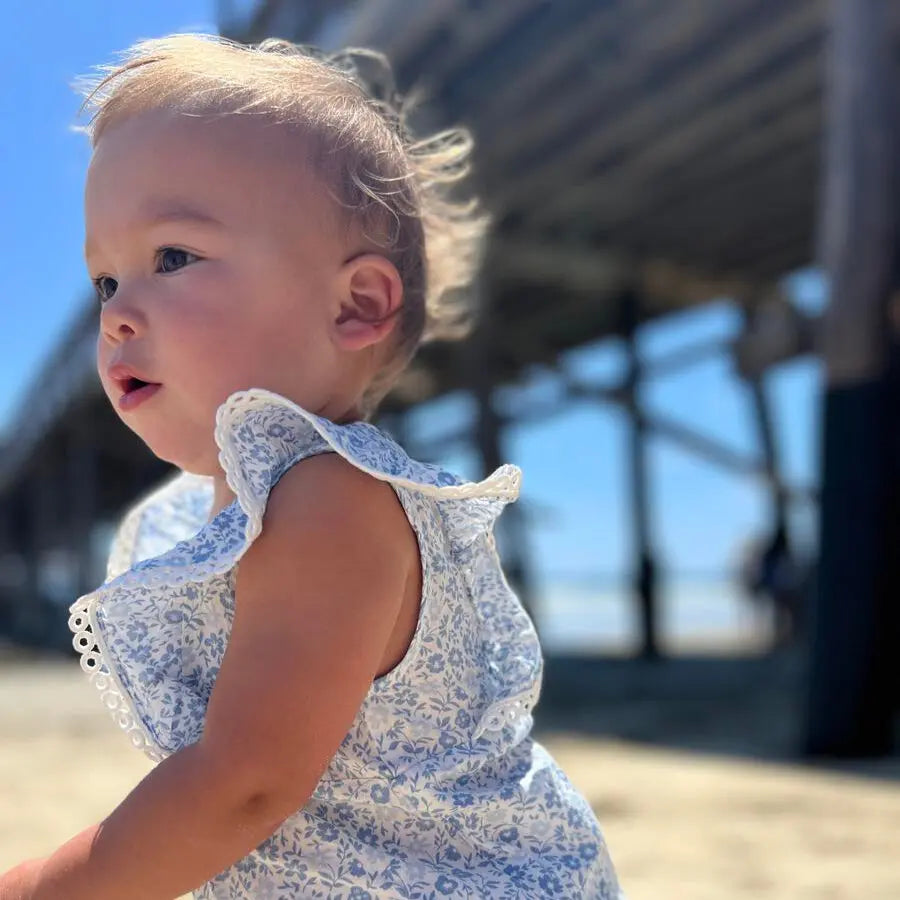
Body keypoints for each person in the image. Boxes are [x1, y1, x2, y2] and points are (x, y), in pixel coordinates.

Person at [0, 34, 623, 899]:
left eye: (172, 257)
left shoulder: (329, 499)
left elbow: (245, 783)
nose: (118, 314)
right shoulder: (227, 512)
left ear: (356, 304)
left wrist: (36, 887)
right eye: (106, 281)